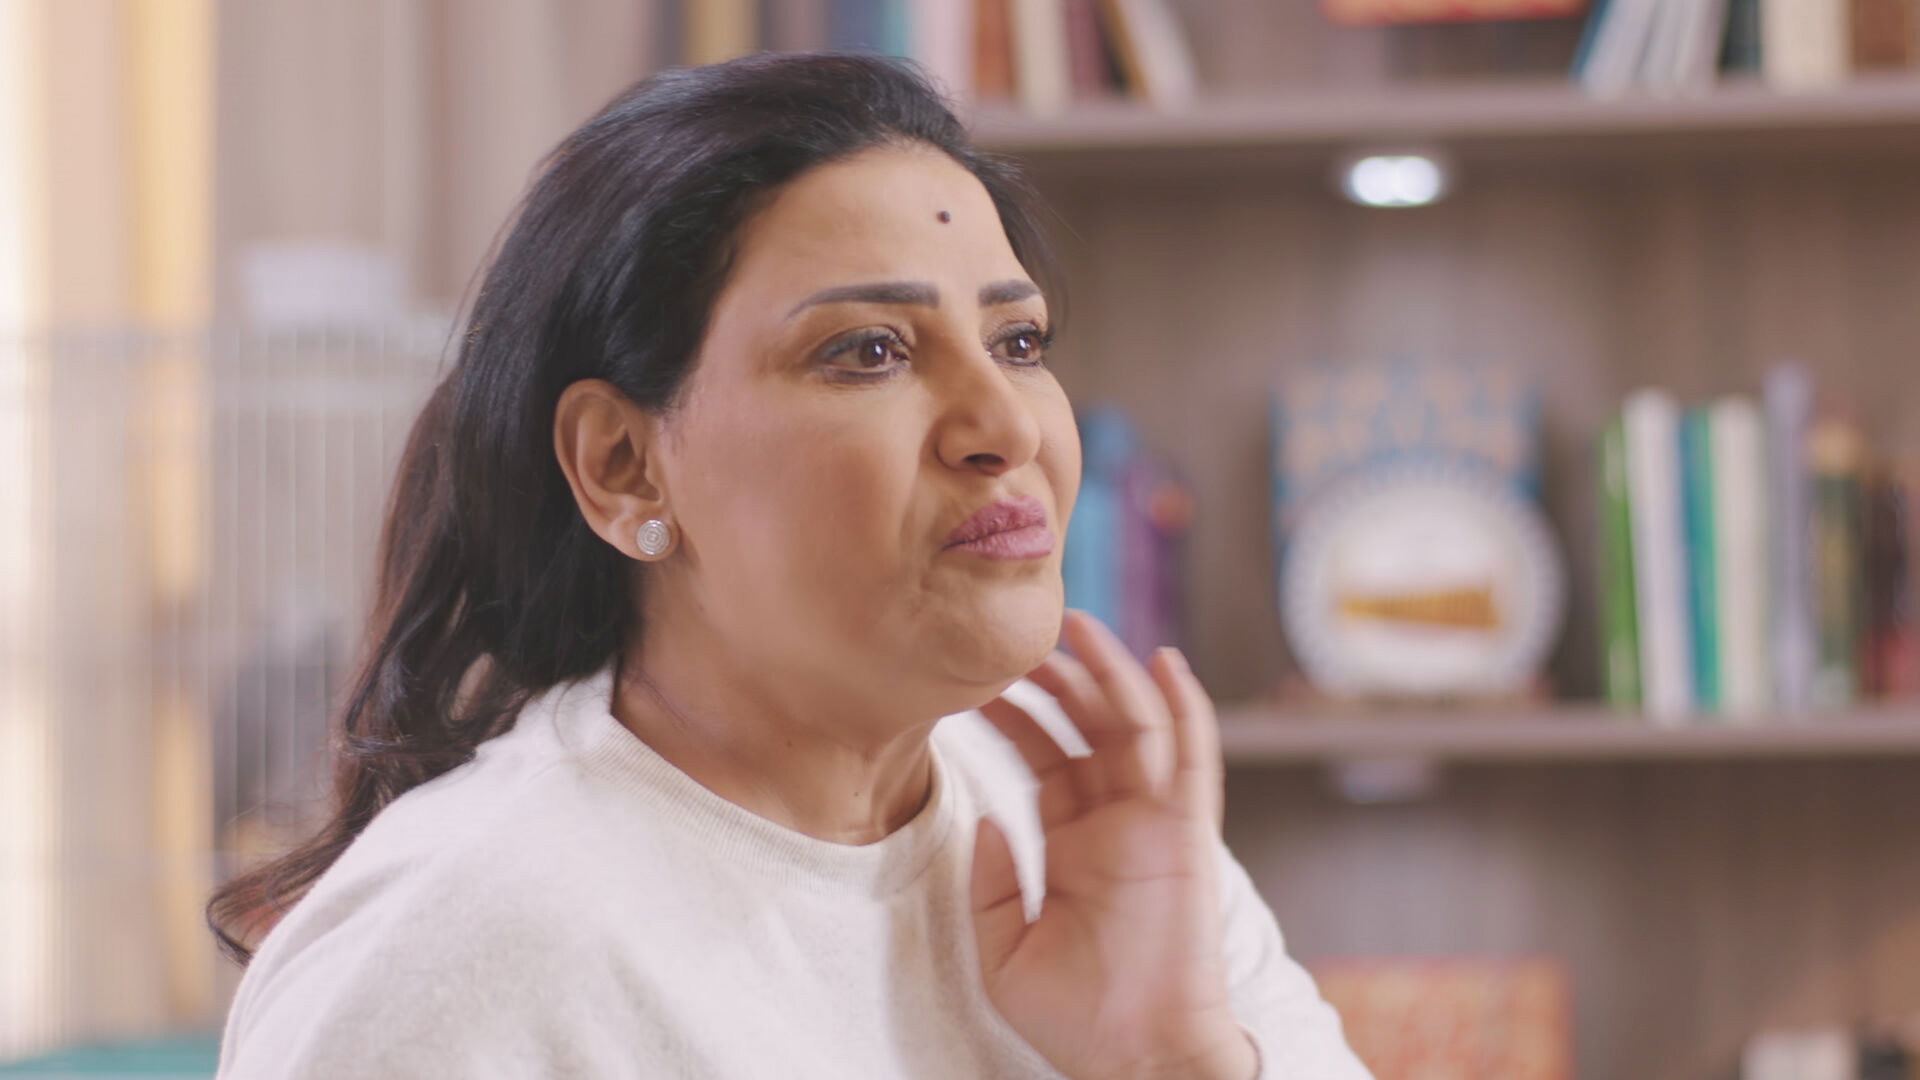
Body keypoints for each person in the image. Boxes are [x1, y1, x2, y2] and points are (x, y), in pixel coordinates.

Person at [209, 51, 1370, 1080]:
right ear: (624, 467)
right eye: (869, 351)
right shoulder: (460, 958)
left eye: (1018, 342)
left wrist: (1172, 1065)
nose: (1006, 425)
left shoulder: (1087, 837)